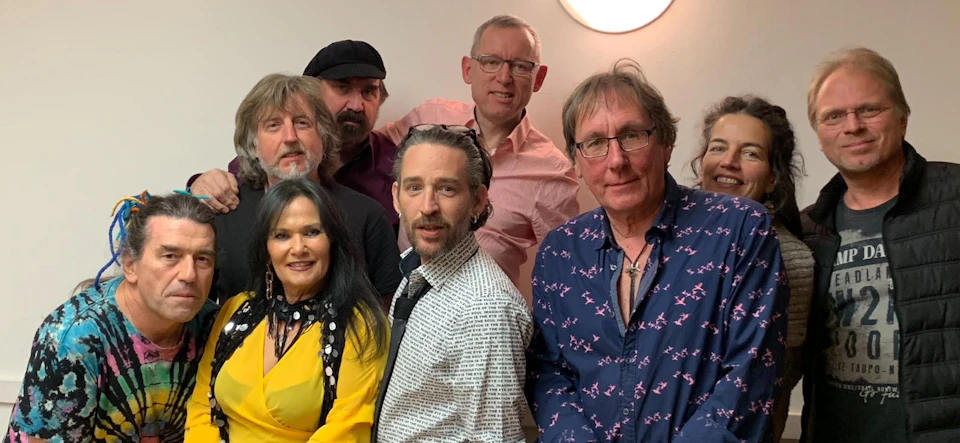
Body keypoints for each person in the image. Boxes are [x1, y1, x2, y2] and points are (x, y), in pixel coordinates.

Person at [525, 60, 788, 442]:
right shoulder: (560, 252)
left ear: (666, 143)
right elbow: (547, 373)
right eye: (595, 143)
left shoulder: (740, 229)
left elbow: (751, 373)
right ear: (577, 162)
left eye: (632, 135)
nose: (616, 160)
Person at [800, 47, 960, 442]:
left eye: (869, 110)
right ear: (820, 136)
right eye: (833, 116)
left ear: (903, 118)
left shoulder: (955, 197)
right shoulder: (807, 229)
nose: (852, 126)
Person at [378, 14, 580, 290]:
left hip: (482, 310)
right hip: (400, 298)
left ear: (539, 78)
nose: (504, 77)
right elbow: (362, 153)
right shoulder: (427, 119)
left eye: (520, 66)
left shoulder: (552, 172)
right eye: (491, 62)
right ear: (468, 69)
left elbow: (567, 271)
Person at [5, 192, 220, 442]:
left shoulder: (215, 326)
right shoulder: (74, 338)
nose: (189, 275)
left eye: (202, 259)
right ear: (130, 265)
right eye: (170, 256)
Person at [185, 178, 388, 442]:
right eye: (282, 236)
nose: (298, 248)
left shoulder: (360, 325)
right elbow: (202, 408)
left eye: (312, 232)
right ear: (266, 250)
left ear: (332, 241)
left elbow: (347, 428)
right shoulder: (236, 309)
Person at [373, 125, 532, 442]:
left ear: (477, 200)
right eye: (414, 188)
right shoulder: (414, 269)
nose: (428, 206)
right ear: (396, 197)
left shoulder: (486, 309)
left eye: (447, 189)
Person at [209, 73, 400, 304]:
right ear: (253, 146)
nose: (290, 137)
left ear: (323, 136)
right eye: (273, 125)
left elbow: (389, 311)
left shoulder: (368, 216)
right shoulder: (225, 216)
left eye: (302, 123)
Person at [690, 95, 813, 442]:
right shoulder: (659, 238)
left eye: (750, 153)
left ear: (773, 178)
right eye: (718, 148)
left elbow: (771, 387)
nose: (729, 162)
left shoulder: (792, 260)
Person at [190, 40, 401, 232]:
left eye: (368, 92)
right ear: (311, 94)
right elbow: (222, 193)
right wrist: (200, 185)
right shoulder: (271, 158)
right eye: (343, 88)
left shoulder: (396, 165)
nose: (356, 105)